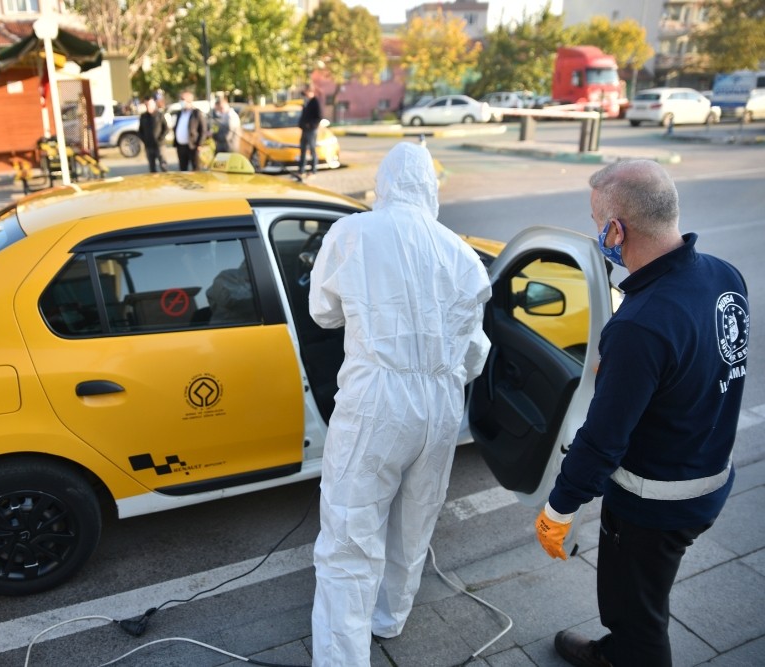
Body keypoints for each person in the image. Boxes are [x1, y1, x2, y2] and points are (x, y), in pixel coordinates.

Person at [535, 159, 749, 667]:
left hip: (652, 506)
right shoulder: (723, 275)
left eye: (596, 222)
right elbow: (702, 367)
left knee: (636, 615)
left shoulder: (641, 325)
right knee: (648, 592)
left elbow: (603, 440)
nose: (597, 233)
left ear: (616, 229)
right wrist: (631, 376)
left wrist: (559, 510)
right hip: (708, 478)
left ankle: (624, 655)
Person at [308, 142, 492, 667]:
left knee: (350, 532)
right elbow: (476, 351)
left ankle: (343, 658)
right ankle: (389, 618)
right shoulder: (459, 252)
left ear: (382, 185)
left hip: (377, 399)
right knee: (416, 517)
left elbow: (323, 312)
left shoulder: (352, 233)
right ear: (430, 189)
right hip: (439, 402)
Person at [173, 90, 207, 172]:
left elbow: (203, 130)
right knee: (183, 169)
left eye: (182, 99)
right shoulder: (179, 113)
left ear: (189, 101)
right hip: (181, 146)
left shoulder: (196, 113)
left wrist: (200, 144)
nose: (181, 101)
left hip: (193, 146)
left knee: (196, 169)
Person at [138, 97, 168, 173]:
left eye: (149, 104)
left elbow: (166, 129)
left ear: (153, 104)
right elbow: (140, 130)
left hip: (159, 145)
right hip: (149, 146)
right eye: (146, 104)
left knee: (163, 166)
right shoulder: (143, 116)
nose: (148, 106)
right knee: (152, 167)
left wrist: (160, 138)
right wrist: (144, 140)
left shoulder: (159, 115)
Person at [297, 87, 322, 178]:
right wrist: (301, 124)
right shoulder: (306, 102)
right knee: (303, 150)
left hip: (311, 130)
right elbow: (303, 116)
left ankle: (313, 170)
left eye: (306, 93)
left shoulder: (315, 102)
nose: (305, 95)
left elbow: (319, 117)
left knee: (312, 150)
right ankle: (301, 170)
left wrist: (310, 125)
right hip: (304, 130)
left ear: (311, 92)